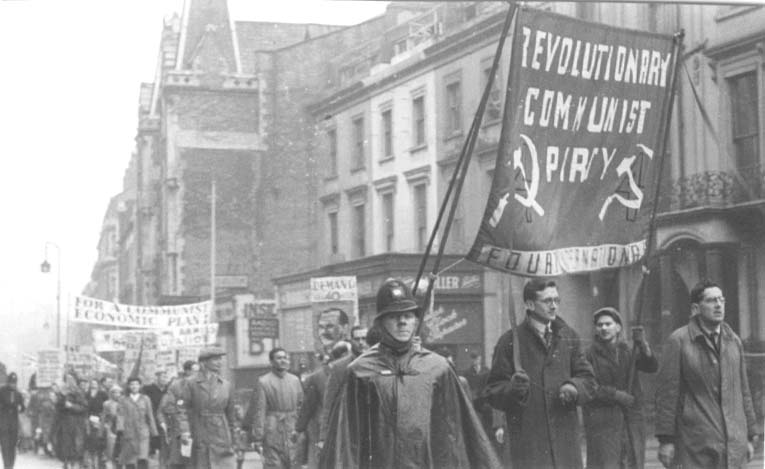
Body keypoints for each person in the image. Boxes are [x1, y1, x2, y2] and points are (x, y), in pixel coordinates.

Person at [321, 278, 501, 468]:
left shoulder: (438, 368)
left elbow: (465, 433)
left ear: (416, 320)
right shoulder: (359, 372)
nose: (402, 322)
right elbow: (346, 442)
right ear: (381, 322)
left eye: (408, 315)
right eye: (393, 316)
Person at [483, 278, 595, 469]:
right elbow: (492, 391)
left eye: (556, 300)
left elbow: (589, 380)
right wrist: (512, 389)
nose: (554, 306)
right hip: (529, 446)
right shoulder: (510, 341)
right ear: (529, 304)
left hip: (565, 444)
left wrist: (574, 387)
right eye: (547, 301)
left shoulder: (569, 336)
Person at [655, 280, 759, 469]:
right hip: (695, 443)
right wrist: (666, 440)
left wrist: (751, 435)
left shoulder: (733, 341)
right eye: (711, 301)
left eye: (721, 300)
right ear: (696, 307)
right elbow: (667, 395)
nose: (718, 305)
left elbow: (743, 391)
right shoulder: (679, 341)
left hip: (733, 443)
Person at [583, 307, 658, 469]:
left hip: (631, 421)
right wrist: (615, 395)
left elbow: (651, 367)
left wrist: (643, 344)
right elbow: (588, 387)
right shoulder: (589, 355)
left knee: (632, 462)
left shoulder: (629, 350)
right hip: (604, 423)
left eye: (608, 324)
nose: (603, 328)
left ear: (618, 327)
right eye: (600, 325)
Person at [177, 346, 238, 469]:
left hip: (221, 432)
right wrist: (185, 430)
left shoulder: (226, 385)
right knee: (201, 463)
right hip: (199, 429)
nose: (219, 362)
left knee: (224, 464)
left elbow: (231, 414)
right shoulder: (191, 383)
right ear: (203, 362)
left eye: (220, 359)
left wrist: (233, 436)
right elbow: (182, 409)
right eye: (215, 359)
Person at [318, 326, 380, 446]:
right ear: (351, 341)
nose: (361, 343)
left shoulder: (380, 363)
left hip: (376, 428)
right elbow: (329, 403)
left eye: (364, 338)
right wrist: (323, 437)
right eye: (357, 339)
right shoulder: (339, 367)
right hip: (350, 430)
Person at [251, 348, 303, 469]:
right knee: (274, 464)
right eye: (279, 358)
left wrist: (301, 429)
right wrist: (258, 437)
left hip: (292, 428)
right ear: (271, 362)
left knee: (294, 462)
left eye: (285, 357)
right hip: (272, 429)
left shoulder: (295, 380)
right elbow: (260, 410)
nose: (283, 360)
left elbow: (301, 406)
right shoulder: (263, 381)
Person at [116, 376, 158, 469]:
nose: (134, 386)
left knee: (142, 458)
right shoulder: (123, 399)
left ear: (140, 386)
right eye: (132, 384)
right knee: (129, 460)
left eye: (136, 384)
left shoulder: (145, 399)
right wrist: (120, 429)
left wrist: (154, 432)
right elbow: (120, 415)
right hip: (129, 433)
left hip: (143, 433)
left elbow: (150, 415)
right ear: (128, 386)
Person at [53, 374, 89, 469]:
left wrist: (72, 406)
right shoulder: (62, 392)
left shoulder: (79, 392)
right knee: (64, 443)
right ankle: (65, 463)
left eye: (71, 379)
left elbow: (84, 407)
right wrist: (60, 400)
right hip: (64, 422)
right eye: (67, 380)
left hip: (76, 422)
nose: (69, 382)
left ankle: (73, 464)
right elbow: (57, 407)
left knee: (75, 444)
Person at [142, 371, 169, 458]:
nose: (165, 379)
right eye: (163, 377)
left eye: (166, 377)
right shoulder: (148, 389)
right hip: (150, 419)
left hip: (163, 420)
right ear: (156, 378)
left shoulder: (168, 390)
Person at [0, 372, 25, 469]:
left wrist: (20, 408)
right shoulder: (1, 391)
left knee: (13, 446)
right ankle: (6, 465)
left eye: (14, 383)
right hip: (3, 423)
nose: (13, 385)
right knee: (5, 446)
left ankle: (11, 465)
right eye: (11, 383)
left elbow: (23, 407)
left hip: (14, 424)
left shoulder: (18, 394)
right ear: (8, 382)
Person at [84, 378, 108, 469]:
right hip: (89, 419)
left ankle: (101, 461)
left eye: (95, 383)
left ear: (98, 384)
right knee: (90, 440)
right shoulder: (87, 394)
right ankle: (90, 462)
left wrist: (103, 417)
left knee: (100, 439)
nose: (93, 385)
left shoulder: (102, 394)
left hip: (100, 418)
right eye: (92, 383)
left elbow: (106, 405)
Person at [101, 385, 122, 469]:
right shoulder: (107, 404)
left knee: (120, 449)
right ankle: (109, 463)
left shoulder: (124, 403)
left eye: (118, 392)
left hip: (121, 428)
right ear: (111, 394)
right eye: (114, 392)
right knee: (110, 448)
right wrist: (104, 427)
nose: (117, 394)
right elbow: (104, 416)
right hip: (111, 427)